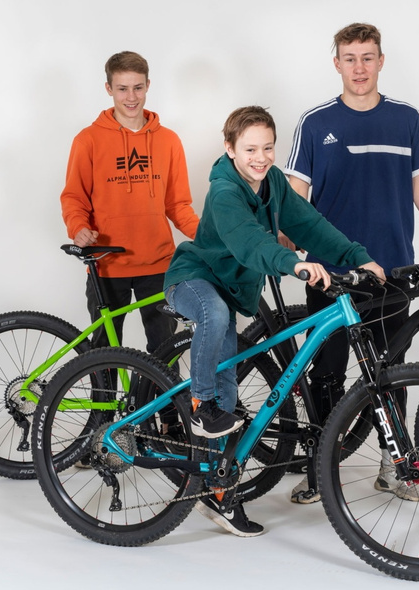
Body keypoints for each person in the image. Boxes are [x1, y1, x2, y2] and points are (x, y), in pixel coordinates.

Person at [163, 105, 386, 537]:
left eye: (267, 148)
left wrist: (358, 257)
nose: (260, 157)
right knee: (214, 318)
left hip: (229, 289)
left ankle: (218, 492)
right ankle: (199, 405)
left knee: (230, 392)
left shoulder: (274, 183)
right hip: (192, 279)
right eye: (250, 149)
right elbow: (249, 242)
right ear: (230, 149)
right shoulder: (224, 191)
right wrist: (292, 264)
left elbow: (311, 225)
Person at [283, 23, 419, 504]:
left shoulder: (405, 119)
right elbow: (296, 196)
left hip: (391, 269)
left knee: (392, 371)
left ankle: (395, 465)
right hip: (330, 272)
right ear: (337, 64)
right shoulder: (315, 123)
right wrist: (282, 239)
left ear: (381, 61)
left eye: (367, 57)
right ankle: (321, 469)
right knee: (327, 373)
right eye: (350, 58)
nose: (359, 67)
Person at [60, 51, 199, 356]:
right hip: (107, 263)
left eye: (137, 87)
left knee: (165, 354)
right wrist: (78, 227)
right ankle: (104, 392)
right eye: (122, 89)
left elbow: (178, 205)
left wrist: (209, 236)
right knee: (104, 356)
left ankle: (161, 393)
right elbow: (73, 197)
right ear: (108, 88)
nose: (131, 97)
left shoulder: (169, 140)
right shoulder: (88, 140)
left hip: (159, 264)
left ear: (148, 85)